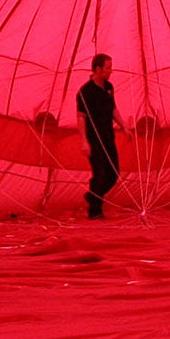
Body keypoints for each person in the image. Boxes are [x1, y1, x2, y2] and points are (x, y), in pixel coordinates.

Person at [77, 53, 118, 219]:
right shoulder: (85, 92)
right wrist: (84, 142)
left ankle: (93, 196)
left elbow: (114, 109)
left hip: (109, 136)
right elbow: (81, 117)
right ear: (98, 69)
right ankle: (95, 210)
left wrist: (124, 126)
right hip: (94, 139)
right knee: (100, 173)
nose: (111, 71)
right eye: (108, 68)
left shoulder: (109, 87)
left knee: (114, 173)